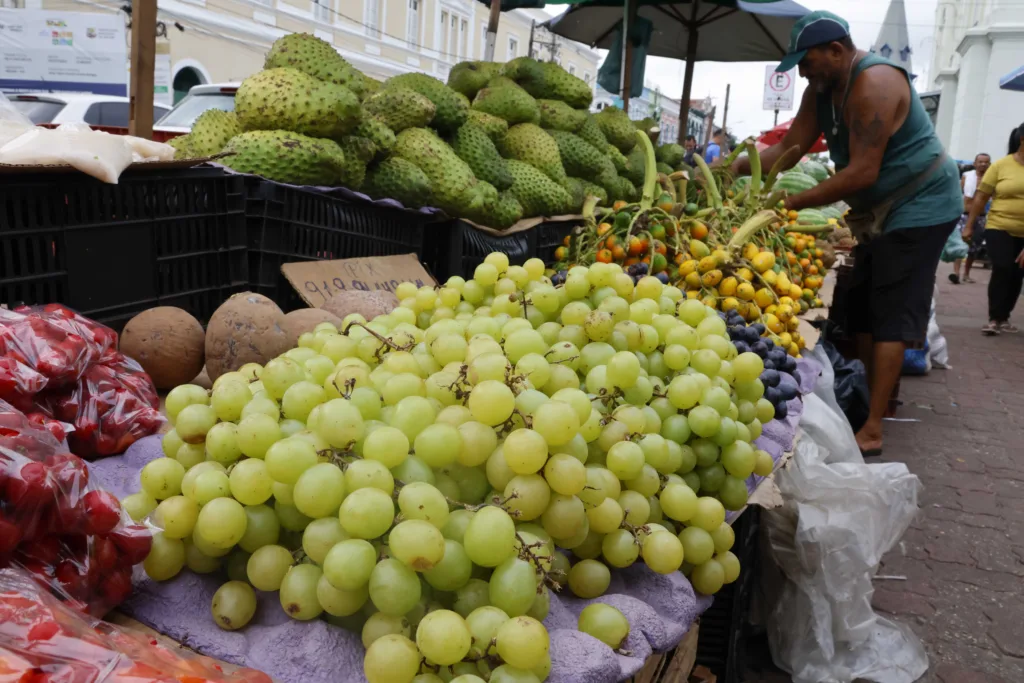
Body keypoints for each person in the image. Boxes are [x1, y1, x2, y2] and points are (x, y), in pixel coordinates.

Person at [730, 10, 962, 457]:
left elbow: (861, 172)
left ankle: (874, 426)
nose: (802, 70)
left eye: (808, 60)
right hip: (879, 206)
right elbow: (789, 148)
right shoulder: (822, 89)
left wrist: (792, 203)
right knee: (863, 306)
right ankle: (870, 402)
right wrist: (739, 166)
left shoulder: (875, 83)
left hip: (922, 202)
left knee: (892, 310)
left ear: (837, 51)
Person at [963, 123, 1024, 335]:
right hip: (999, 226)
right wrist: (969, 225)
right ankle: (994, 318)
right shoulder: (1001, 166)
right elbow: (981, 196)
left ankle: (1004, 317)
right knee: (1003, 267)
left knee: (1017, 274)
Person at [951, 153, 991, 284]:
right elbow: (957, 195)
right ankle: (956, 273)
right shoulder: (967, 176)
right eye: (980, 161)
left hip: (980, 217)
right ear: (975, 163)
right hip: (964, 215)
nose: (983, 164)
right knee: (959, 244)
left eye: (986, 162)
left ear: (989, 164)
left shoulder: (992, 178)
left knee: (974, 247)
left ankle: (966, 274)